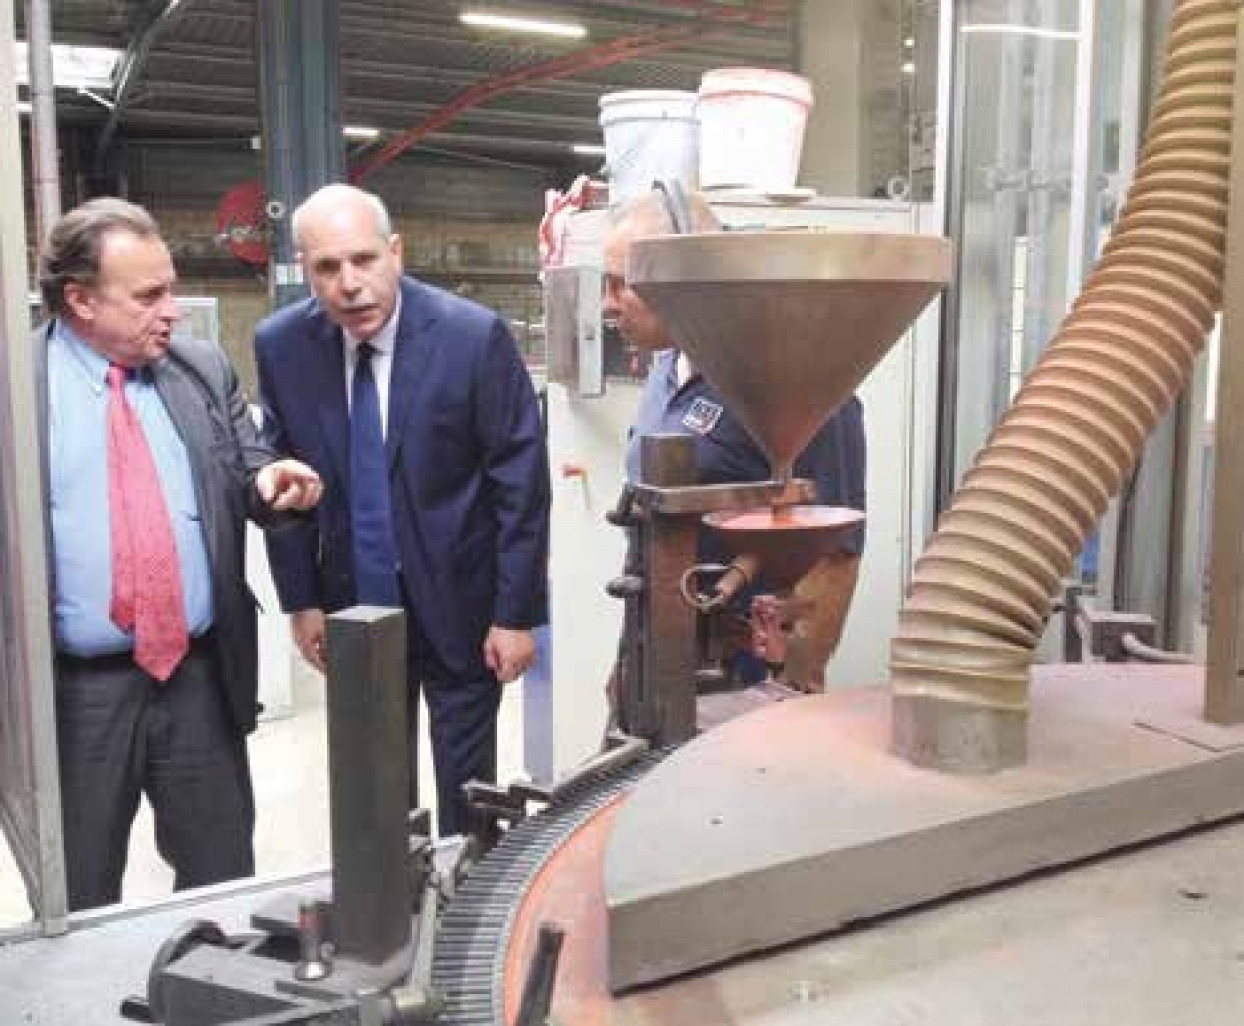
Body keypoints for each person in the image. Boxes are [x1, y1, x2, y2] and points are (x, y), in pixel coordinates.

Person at [37, 197, 323, 911]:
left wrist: (268, 480)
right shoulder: (19, 385)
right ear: (79, 299)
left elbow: (245, 463)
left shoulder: (197, 369)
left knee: (221, 872)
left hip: (197, 675)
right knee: (79, 889)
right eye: (148, 296)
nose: (172, 310)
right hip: (76, 692)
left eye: (170, 287)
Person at [253, 183, 550, 836]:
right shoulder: (283, 347)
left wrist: (516, 614)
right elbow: (285, 485)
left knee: (468, 801)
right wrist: (301, 600)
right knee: (376, 800)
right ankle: (392, 921)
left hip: (463, 609)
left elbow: (519, 484)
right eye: (327, 268)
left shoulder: (472, 339)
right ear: (306, 269)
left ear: (396, 252)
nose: (349, 284)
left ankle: (466, 921)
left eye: (364, 260)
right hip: (353, 609)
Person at [603, 187, 866, 691]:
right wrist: (626, 667)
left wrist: (789, 684)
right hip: (656, 652)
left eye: (622, 285)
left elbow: (836, 558)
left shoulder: (794, 382)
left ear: (687, 279)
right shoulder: (664, 369)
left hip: (743, 669)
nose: (608, 304)